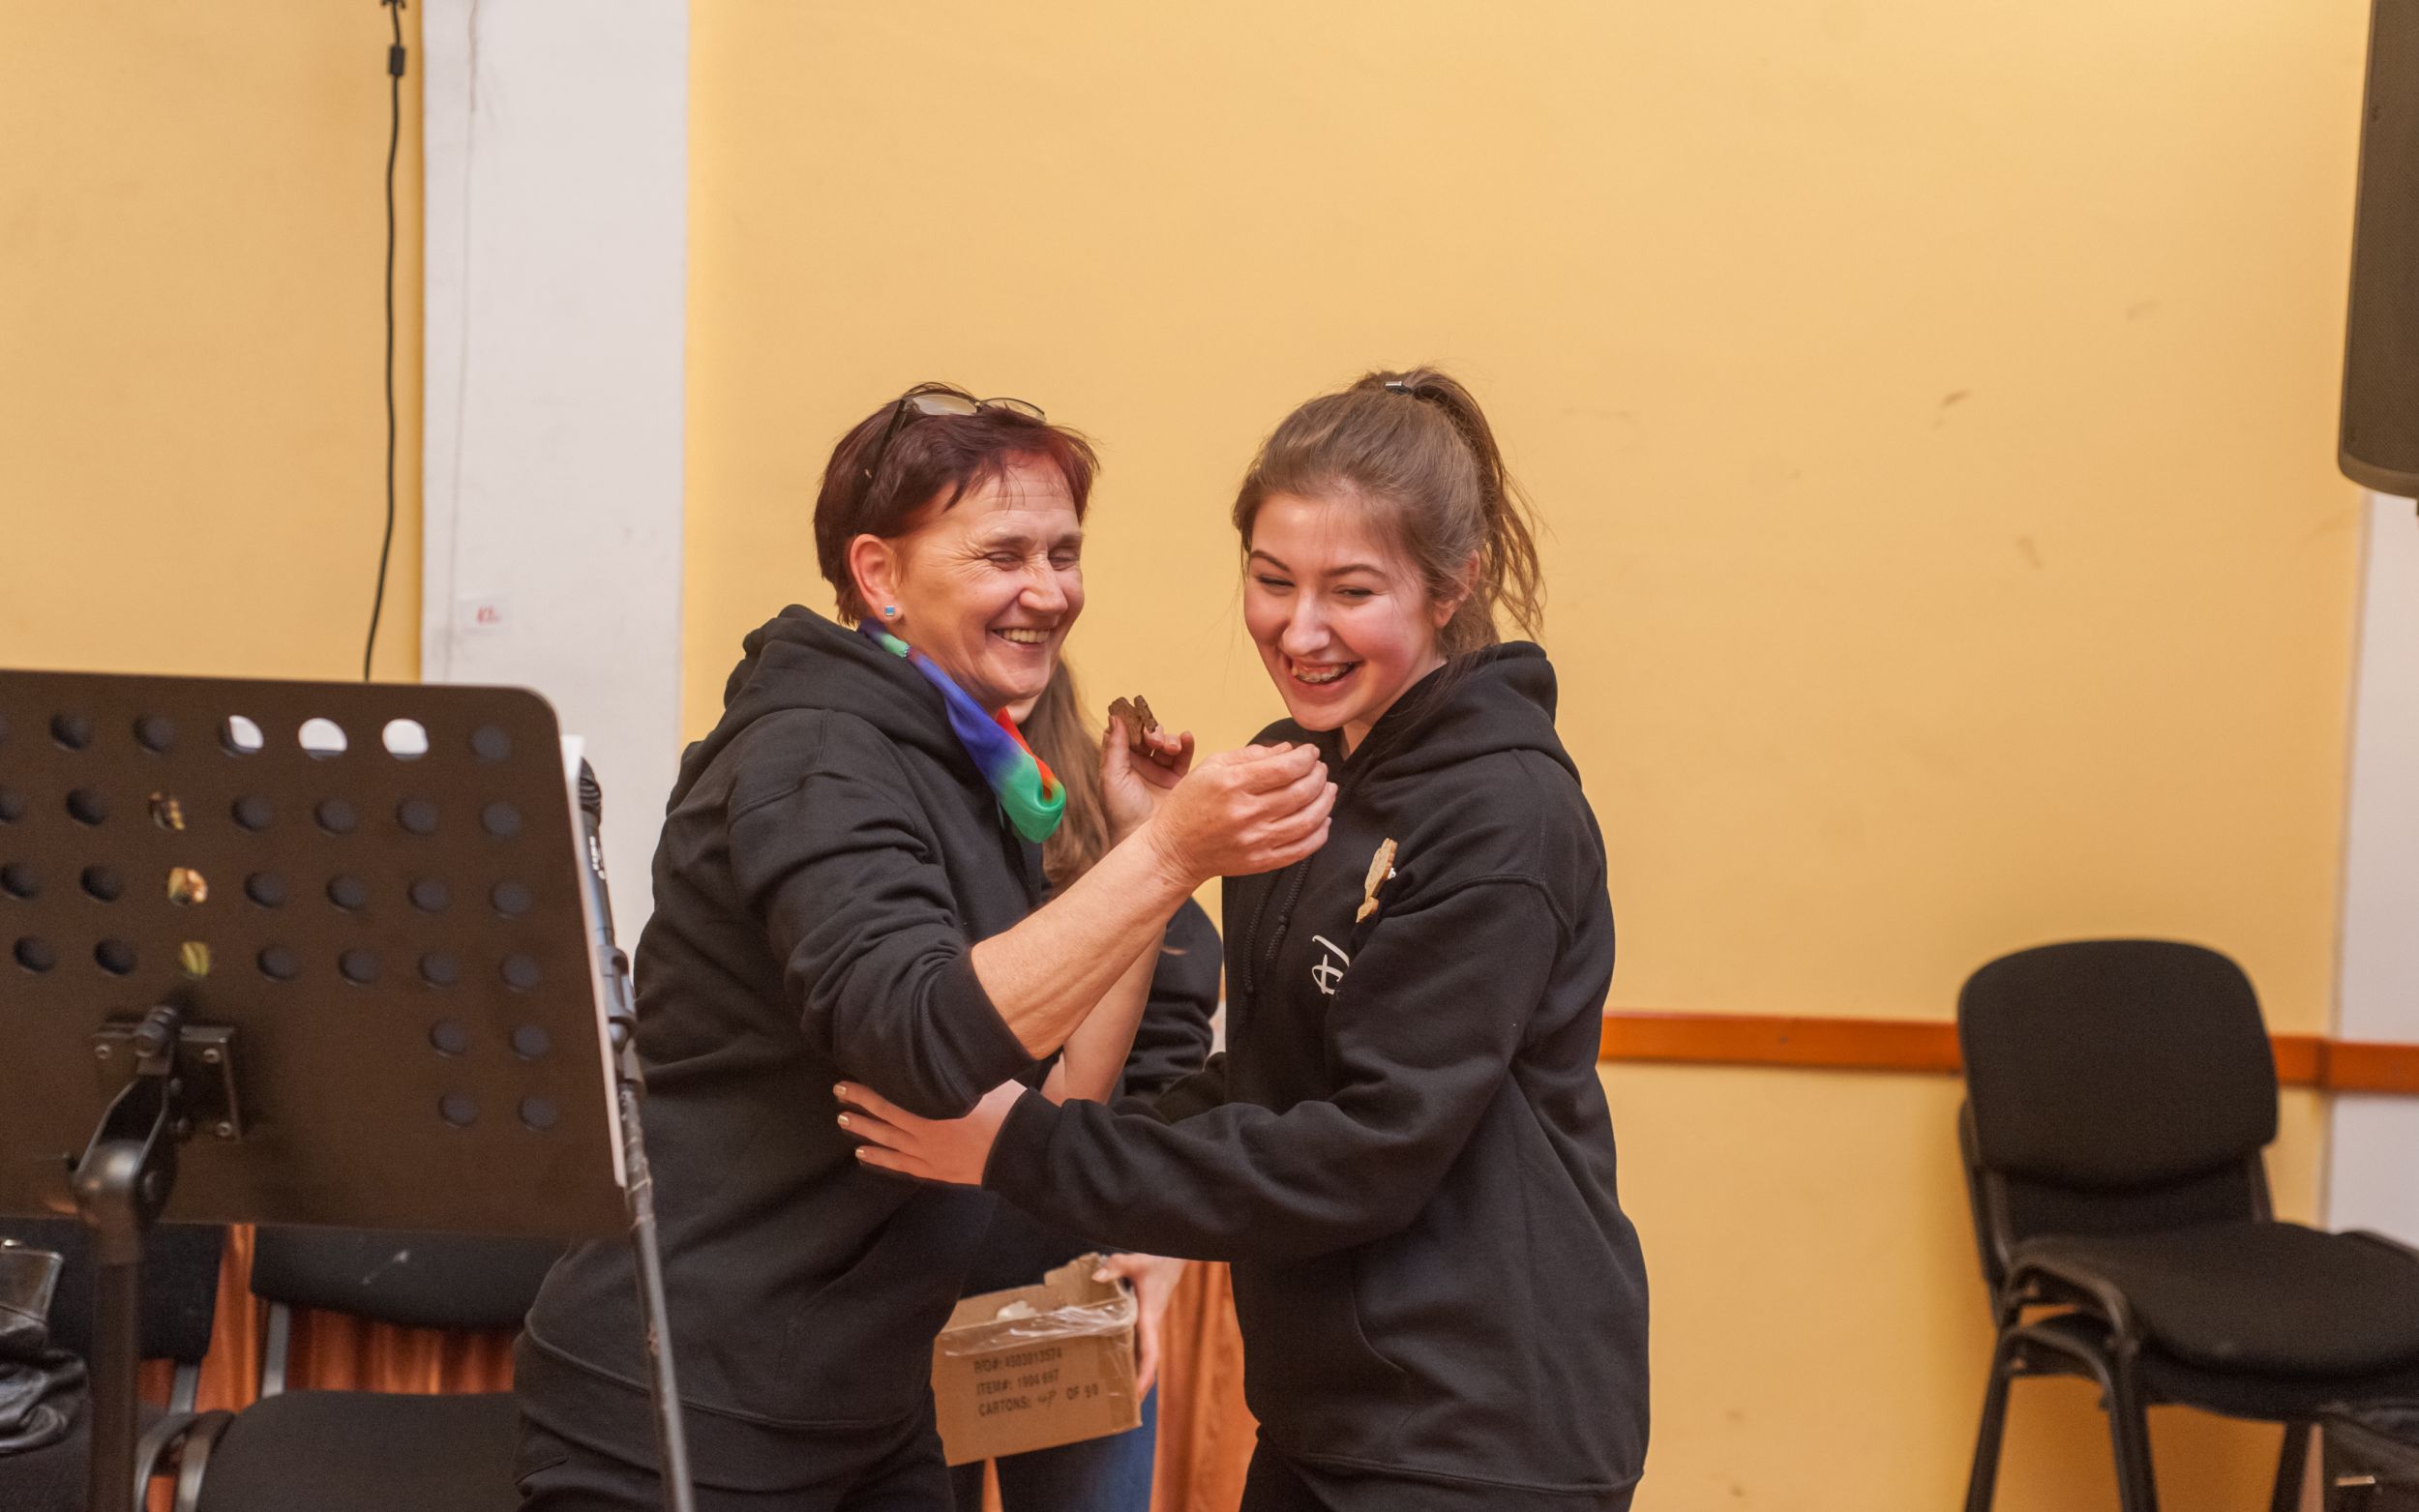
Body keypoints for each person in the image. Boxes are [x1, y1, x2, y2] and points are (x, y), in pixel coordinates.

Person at [840, 370, 1652, 1512]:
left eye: (1350, 591)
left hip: (1477, 1431)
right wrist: (1060, 1143)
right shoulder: (1295, 773)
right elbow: (1266, 1076)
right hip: (1331, 1410)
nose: (1299, 630)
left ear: (1452, 583)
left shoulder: (1504, 813)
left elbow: (1367, 1152)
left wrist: (1026, 1150)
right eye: (1271, 582)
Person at [514, 384, 1334, 1512]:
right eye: (1003, 555)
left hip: (865, 1398)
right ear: (880, 576)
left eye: (1064, 554)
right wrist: (1166, 856)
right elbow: (921, 1046)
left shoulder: (961, 760)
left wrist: (1140, 855)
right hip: (694, 1407)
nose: (1048, 591)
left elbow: (1057, 1094)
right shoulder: (818, 753)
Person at [949, 663, 1217, 1512]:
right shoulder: (890, 809)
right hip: (926, 1284)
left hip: (1066, 1277)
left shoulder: (1118, 840)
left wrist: (1167, 1243)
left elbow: (1169, 1077)